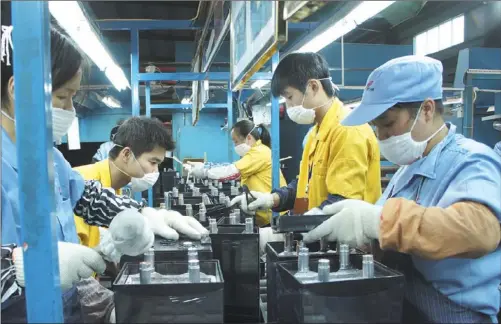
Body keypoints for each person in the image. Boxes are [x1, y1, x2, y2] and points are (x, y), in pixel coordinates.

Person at [1, 22, 207, 323]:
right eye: (62, 97)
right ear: (17, 89)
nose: (70, 110)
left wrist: (142, 213)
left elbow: (86, 195)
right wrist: (23, 267)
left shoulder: (46, 155)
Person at [302, 55, 501, 323]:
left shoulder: (470, 159)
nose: (381, 136)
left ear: (427, 109)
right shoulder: (407, 169)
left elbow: (479, 230)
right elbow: (391, 236)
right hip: (408, 303)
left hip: (454, 315)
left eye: (388, 123)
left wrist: (377, 221)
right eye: (376, 127)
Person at [231, 52, 381, 219]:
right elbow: (305, 184)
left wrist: (298, 225)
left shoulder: (348, 130)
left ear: (314, 87)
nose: (288, 106)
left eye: (289, 97)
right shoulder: (316, 133)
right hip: (321, 235)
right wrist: (273, 198)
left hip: (347, 241)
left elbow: (342, 204)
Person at [75, 116, 176, 250]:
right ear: (126, 154)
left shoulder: (115, 189)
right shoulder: (80, 185)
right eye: (153, 162)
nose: (155, 171)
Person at [187, 120, 287, 226]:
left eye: (236, 141)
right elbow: (231, 165)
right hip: (266, 213)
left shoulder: (259, 152)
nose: (235, 146)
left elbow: (232, 172)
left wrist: (204, 171)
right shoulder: (256, 152)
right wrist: (206, 166)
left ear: (248, 138)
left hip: (274, 215)